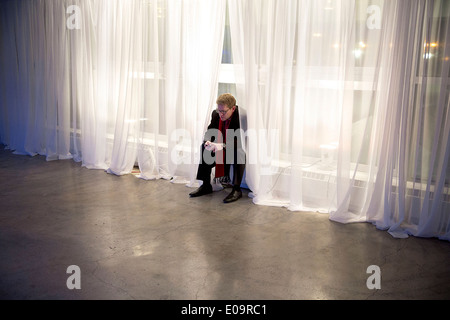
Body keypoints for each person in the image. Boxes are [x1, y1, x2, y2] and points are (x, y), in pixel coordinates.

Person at [189, 93, 246, 203]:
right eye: (219, 111)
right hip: (219, 146)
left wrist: (222, 145)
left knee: (239, 153)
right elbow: (210, 131)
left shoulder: (240, 117)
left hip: (233, 147)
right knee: (204, 147)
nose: (220, 114)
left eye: (223, 111)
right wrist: (208, 142)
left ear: (233, 108)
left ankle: (237, 189)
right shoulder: (216, 114)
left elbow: (240, 141)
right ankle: (206, 185)